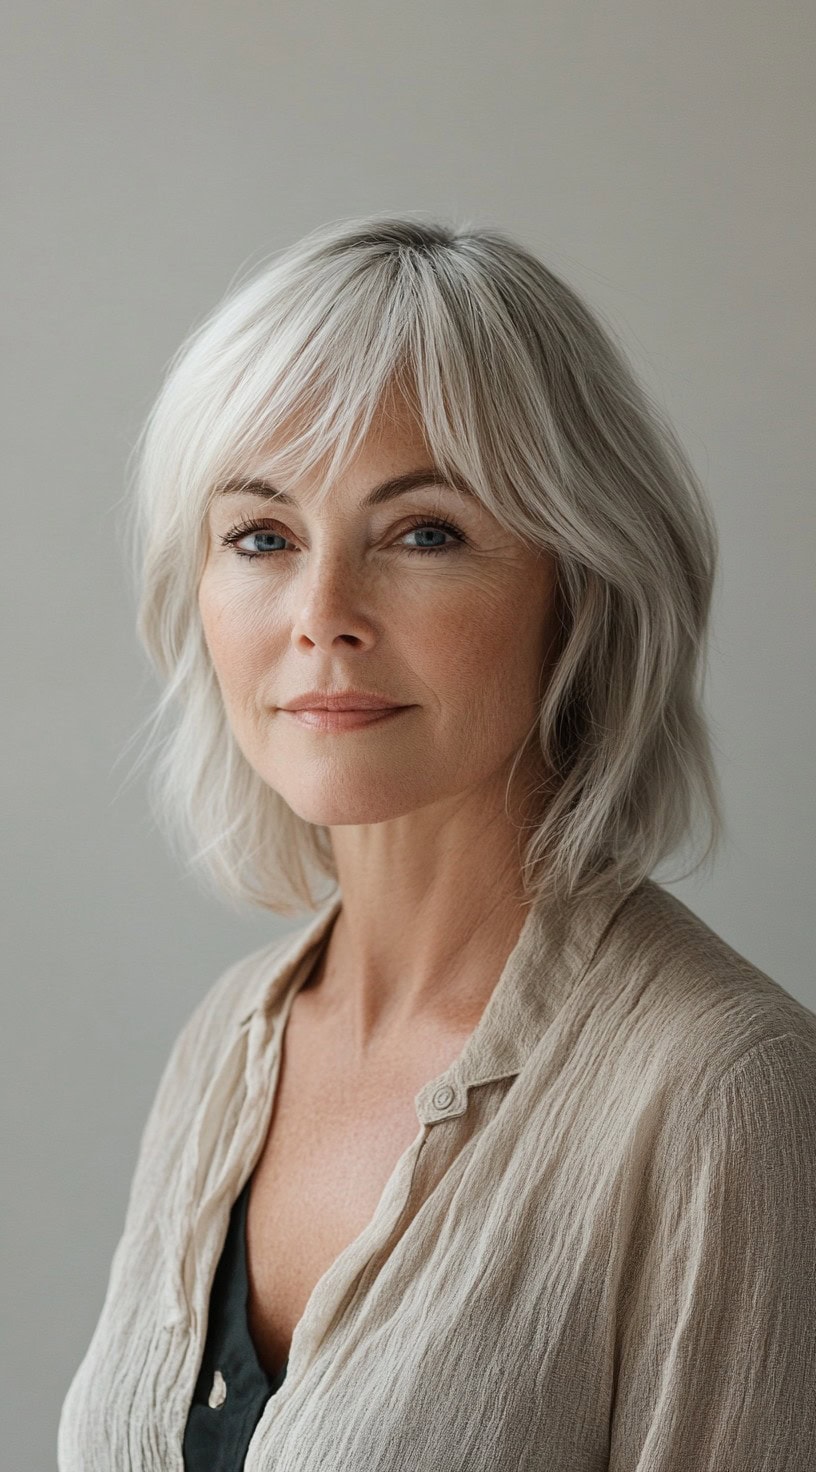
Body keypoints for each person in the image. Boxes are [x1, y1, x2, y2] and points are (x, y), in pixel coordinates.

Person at [58, 215, 816, 1471]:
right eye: (262, 536)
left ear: (582, 584)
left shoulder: (725, 1093)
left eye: (424, 533)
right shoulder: (225, 1046)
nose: (322, 617)